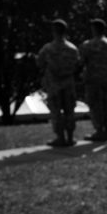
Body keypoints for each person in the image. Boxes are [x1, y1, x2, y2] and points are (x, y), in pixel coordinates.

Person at [36, 18, 80, 147]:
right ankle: (70, 138)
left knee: (56, 112)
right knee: (69, 111)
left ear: (54, 31)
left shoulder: (48, 48)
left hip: (54, 85)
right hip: (68, 84)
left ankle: (60, 138)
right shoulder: (72, 48)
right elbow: (77, 64)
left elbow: (39, 63)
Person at [78, 18, 107, 142]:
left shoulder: (87, 45)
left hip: (93, 80)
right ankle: (106, 130)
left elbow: (81, 62)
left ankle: (99, 130)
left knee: (95, 105)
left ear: (94, 29)